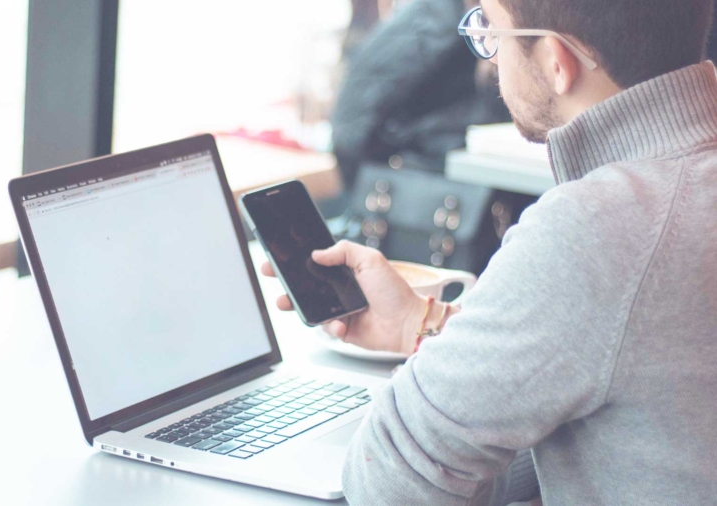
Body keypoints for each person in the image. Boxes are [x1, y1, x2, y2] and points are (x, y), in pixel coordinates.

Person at [262, 0, 717, 503]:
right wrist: (425, 323)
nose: (491, 60)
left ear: (555, 62)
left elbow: (387, 480)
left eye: (490, 33)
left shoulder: (595, 228)